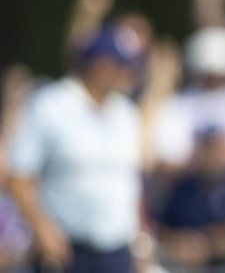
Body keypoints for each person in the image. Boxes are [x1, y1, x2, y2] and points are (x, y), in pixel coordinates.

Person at [6, 26, 144, 273]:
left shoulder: (126, 113)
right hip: (65, 250)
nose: (128, 74)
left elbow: (129, 182)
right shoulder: (51, 104)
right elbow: (19, 177)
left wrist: (140, 242)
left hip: (117, 251)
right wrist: (42, 228)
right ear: (100, 66)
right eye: (121, 66)